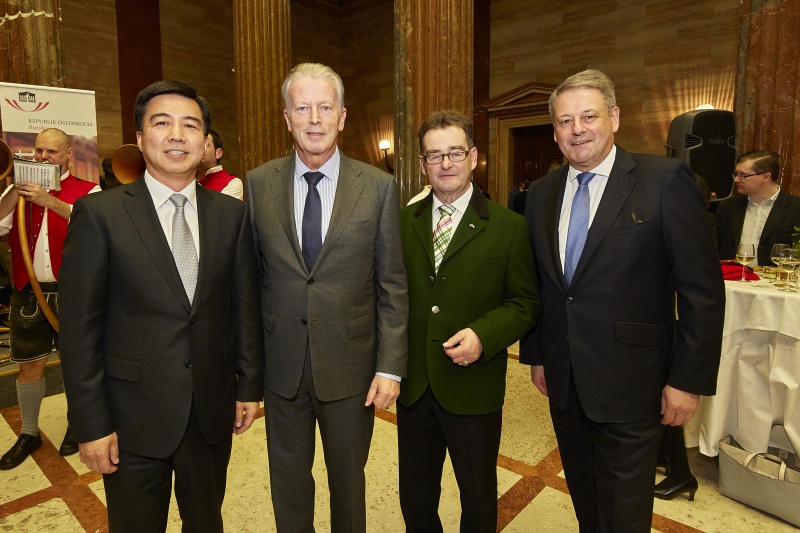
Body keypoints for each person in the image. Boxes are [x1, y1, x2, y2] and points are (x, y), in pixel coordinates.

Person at [520, 69, 725, 532]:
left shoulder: (666, 179)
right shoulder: (540, 193)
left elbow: (701, 291)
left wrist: (687, 380)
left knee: (625, 516)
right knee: (588, 505)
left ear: (613, 117)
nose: (577, 130)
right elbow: (540, 284)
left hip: (636, 384)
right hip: (565, 382)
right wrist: (536, 355)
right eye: (565, 121)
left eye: (588, 116)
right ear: (554, 131)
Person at [58, 80, 264, 532]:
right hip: (130, 419)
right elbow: (78, 332)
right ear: (139, 136)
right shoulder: (100, 215)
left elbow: (243, 308)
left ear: (206, 143)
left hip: (209, 413)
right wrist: (90, 424)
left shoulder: (230, 215)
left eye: (191, 125)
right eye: (162, 123)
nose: (177, 135)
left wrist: (248, 386)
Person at [245, 63, 408, 532]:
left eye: (324, 107)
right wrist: (247, 372)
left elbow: (392, 284)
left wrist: (389, 366)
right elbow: (251, 282)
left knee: (348, 485)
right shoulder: (258, 185)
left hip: (353, 370)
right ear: (287, 117)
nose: (314, 118)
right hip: (282, 369)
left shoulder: (377, 187)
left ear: (341, 117)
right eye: (303, 107)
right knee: (288, 484)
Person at [397, 110, 540, 531]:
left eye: (455, 153)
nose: (445, 164)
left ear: (473, 156)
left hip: (473, 385)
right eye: (434, 155)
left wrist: (483, 334)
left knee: (477, 497)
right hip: (416, 385)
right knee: (416, 496)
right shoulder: (403, 223)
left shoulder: (509, 227)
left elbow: (525, 302)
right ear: (422, 164)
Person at [0, 128, 99, 470]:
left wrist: (49, 201)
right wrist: (15, 193)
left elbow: (94, 224)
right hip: (28, 290)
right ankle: (29, 432)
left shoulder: (90, 190)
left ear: (69, 154)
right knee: (29, 365)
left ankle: (78, 423)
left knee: (77, 363)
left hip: (74, 293)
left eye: (51, 152)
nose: (43, 157)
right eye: (39, 151)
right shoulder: (17, 193)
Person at [715, 150, 800, 266]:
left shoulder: (796, 207)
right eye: (736, 174)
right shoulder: (728, 207)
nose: (736, 180)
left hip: (777, 281)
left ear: (766, 177)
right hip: (734, 280)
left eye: (743, 175)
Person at [196, 128, 243, 200]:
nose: (199, 149)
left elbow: (219, 210)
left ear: (218, 153)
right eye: (196, 145)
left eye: (205, 145)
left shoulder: (232, 183)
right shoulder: (185, 180)